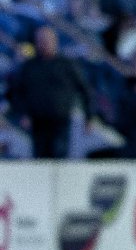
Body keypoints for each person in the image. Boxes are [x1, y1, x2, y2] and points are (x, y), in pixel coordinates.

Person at [6, 25, 94, 159]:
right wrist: (23, 113)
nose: (44, 44)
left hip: (61, 119)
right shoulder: (29, 66)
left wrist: (89, 116)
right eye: (41, 40)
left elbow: (84, 89)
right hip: (38, 121)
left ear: (55, 41)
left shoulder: (67, 65)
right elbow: (17, 92)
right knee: (41, 157)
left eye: (47, 40)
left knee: (59, 156)